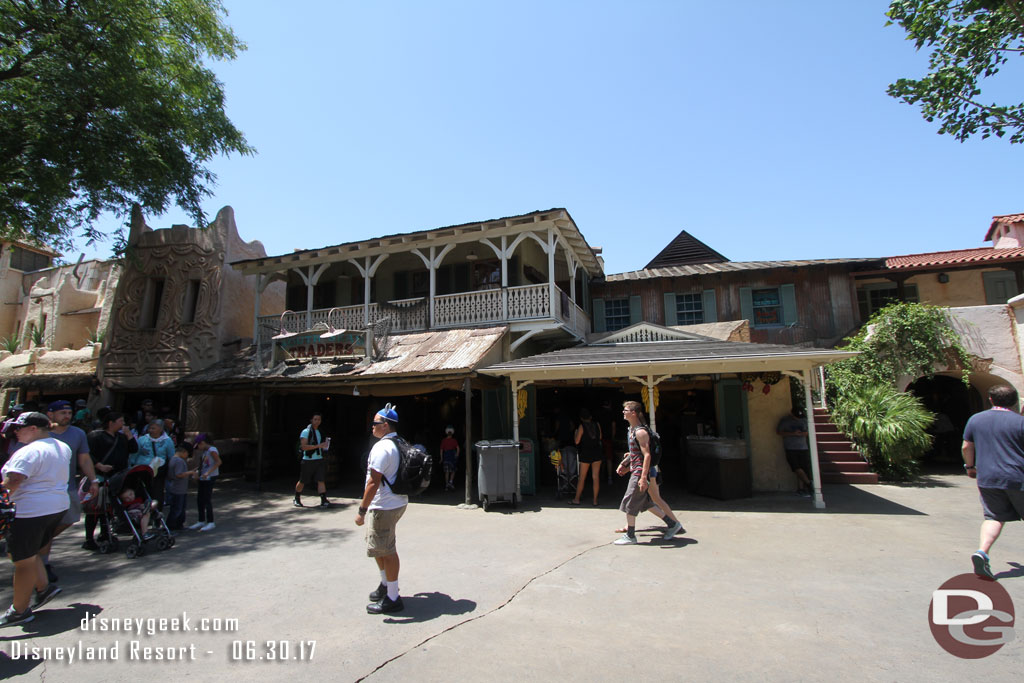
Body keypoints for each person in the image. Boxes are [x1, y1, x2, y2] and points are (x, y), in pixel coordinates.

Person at [0, 412, 71, 628]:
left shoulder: (29, 452)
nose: (15, 432)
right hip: (56, 506)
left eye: (19, 428)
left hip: (30, 510)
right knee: (30, 552)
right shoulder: (61, 446)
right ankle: (43, 587)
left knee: (22, 561)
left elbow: (14, 480)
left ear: (33, 429)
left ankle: (19, 610)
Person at [962, 384, 1024, 580]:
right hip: (1018, 477)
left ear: (990, 399)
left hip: (988, 478)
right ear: (1015, 401)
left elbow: (966, 446)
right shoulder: (1020, 422)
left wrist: (970, 467)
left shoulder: (976, 419)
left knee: (994, 517)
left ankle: (982, 551)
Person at [355, 403, 408, 615]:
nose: (372, 427)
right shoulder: (399, 442)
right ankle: (386, 584)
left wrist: (361, 510)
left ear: (385, 425)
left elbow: (373, 482)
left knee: (387, 549)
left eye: (375, 423)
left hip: (384, 505)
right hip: (397, 501)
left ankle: (393, 597)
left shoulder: (381, 448)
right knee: (379, 547)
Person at [614, 401, 684, 545]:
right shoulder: (631, 430)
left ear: (633, 413)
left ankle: (630, 536)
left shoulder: (640, 432)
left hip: (640, 472)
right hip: (636, 470)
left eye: (626, 410)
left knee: (630, 502)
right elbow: (635, 454)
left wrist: (643, 476)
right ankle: (672, 524)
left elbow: (646, 455)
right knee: (646, 503)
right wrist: (625, 464)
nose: (623, 412)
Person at [43, 400, 98, 583]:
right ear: (50, 414)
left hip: (67, 487)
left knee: (71, 518)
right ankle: (42, 563)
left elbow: (84, 459)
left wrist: (93, 480)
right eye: (62, 413)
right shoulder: (41, 433)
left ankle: (40, 544)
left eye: (69, 412)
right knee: (45, 526)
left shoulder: (78, 433)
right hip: (43, 488)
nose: (67, 416)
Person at [83, 411, 137, 550]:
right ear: (110, 423)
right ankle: (89, 538)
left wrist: (129, 436)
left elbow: (134, 449)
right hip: (100, 476)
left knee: (109, 508)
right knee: (96, 508)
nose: (123, 424)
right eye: (120, 421)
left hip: (118, 476)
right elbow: (86, 454)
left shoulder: (122, 437)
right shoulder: (95, 436)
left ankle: (106, 533)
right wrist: (98, 465)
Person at [134, 419, 175, 507]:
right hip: (142, 469)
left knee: (157, 492)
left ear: (160, 429)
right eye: (150, 428)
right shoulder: (142, 439)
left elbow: (171, 456)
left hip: (158, 471)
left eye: (153, 428)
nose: (151, 430)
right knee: (141, 491)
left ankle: (156, 513)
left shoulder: (168, 441)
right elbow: (134, 454)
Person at [293, 413, 330, 507]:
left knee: (321, 479)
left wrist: (325, 446)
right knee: (303, 480)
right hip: (308, 459)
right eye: (315, 419)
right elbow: (304, 447)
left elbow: (322, 445)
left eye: (319, 419)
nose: (317, 421)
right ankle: (297, 497)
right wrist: (318, 446)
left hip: (319, 458)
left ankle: (323, 499)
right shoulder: (306, 432)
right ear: (311, 420)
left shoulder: (320, 432)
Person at [777, 408, 813, 496]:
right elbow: (779, 432)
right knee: (796, 467)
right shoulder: (785, 421)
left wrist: (803, 434)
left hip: (803, 447)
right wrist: (793, 434)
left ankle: (801, 489)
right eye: (796, 416)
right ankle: (809, 484)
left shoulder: (804, 420)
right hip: (791, 448)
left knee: (802, 468)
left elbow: (809, 432)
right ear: (792, 414)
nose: (798, 418)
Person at [188, 433, 221, 532]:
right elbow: (204, 464)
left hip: (210, 476)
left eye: (199, 445)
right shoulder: (205, 451)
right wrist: (196, 470)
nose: (199, 448)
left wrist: (208, 473)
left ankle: (210, 522)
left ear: (202, 443)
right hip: (203, 476)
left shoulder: (212, 450)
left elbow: (218, 462)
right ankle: (201, 520)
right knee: (200, 499)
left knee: (207, 498)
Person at [571, 408, 603, 506]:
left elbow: (577, 441)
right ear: (590, 417)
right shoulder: (597, 424)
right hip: (597, 452)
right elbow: (600, 437)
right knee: (595, 477)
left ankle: (576, 499)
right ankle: (595, 500)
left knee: (582, 477)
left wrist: (575, 433)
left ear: (581, 418)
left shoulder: (581, 427)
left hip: (586, 452)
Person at [165, 444, 196, 530]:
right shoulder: (179, 461)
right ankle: (171, 526)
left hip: (178, 488)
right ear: (183, 452)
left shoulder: (173, 459)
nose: (187, 456)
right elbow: (179, 474)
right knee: (177, 509)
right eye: (187, 454)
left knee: (180, 508)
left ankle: (179, 524)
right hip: (178, 489)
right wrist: (190, 472)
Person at [439, 426, 460, 491]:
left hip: (446, 456)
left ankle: (447, 484)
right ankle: (450, 482)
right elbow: (458, 448)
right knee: (453, 470)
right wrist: (457, 454)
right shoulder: (454, 440)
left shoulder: (444, 440)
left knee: (447, 471)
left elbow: (441, 450)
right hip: (451, 456)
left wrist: (441, 458)